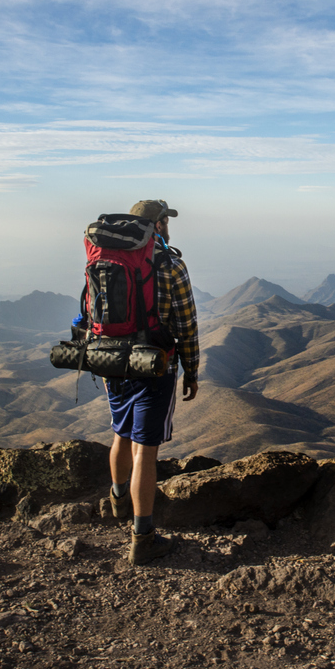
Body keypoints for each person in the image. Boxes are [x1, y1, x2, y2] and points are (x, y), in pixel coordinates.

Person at [104, 198, 200, 565]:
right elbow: (186, 323)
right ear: (157, 226)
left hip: (112, 360)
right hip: (154, 364)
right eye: (165, 220)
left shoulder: (108, 261)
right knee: (146, 448)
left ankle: (117, 501)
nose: (168, 225)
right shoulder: (170, 264)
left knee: (120, 433)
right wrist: (191, 370)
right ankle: (143, 538)